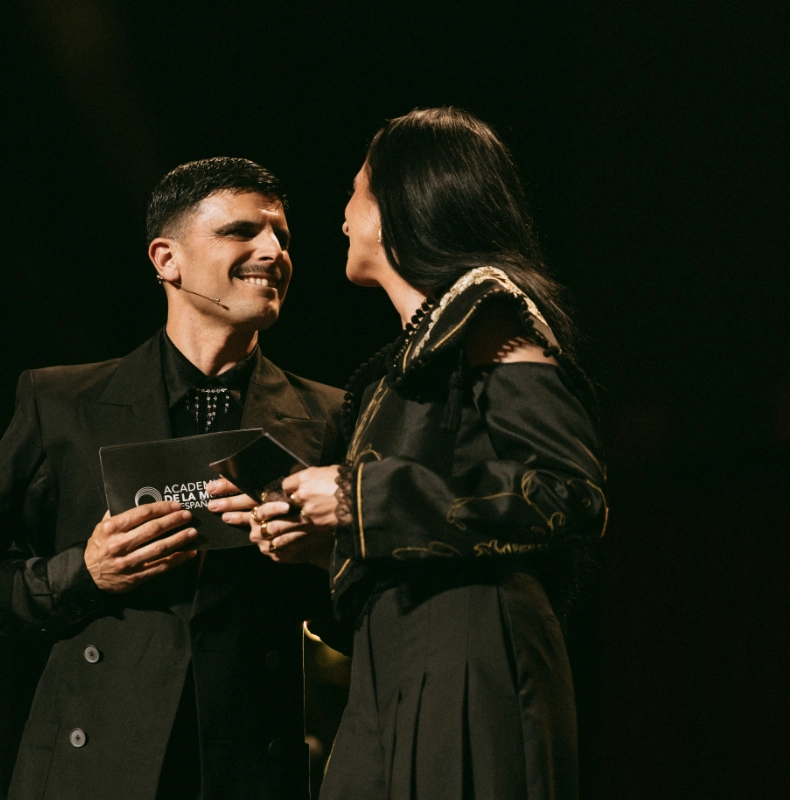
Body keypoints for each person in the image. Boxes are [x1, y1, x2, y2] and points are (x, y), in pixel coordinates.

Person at [0, 157, 348, 800]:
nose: (272, 251)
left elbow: (366, 616)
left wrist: (323, 559)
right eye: (241, 232)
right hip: (90, 772)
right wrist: (83, 572)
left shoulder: (329, 417)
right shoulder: (61, 403)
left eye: (281, 236)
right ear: (166, 259)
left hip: (248, 773)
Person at [254, 109, 609, 799]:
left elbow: (569, 492)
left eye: (357, 192)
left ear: (398, 206)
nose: (345, 214)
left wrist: (358, 498)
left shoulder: (488, 311)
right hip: (391, 675)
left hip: (471, 658)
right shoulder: (394, 374)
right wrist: (327, 546)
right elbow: (421, 523)